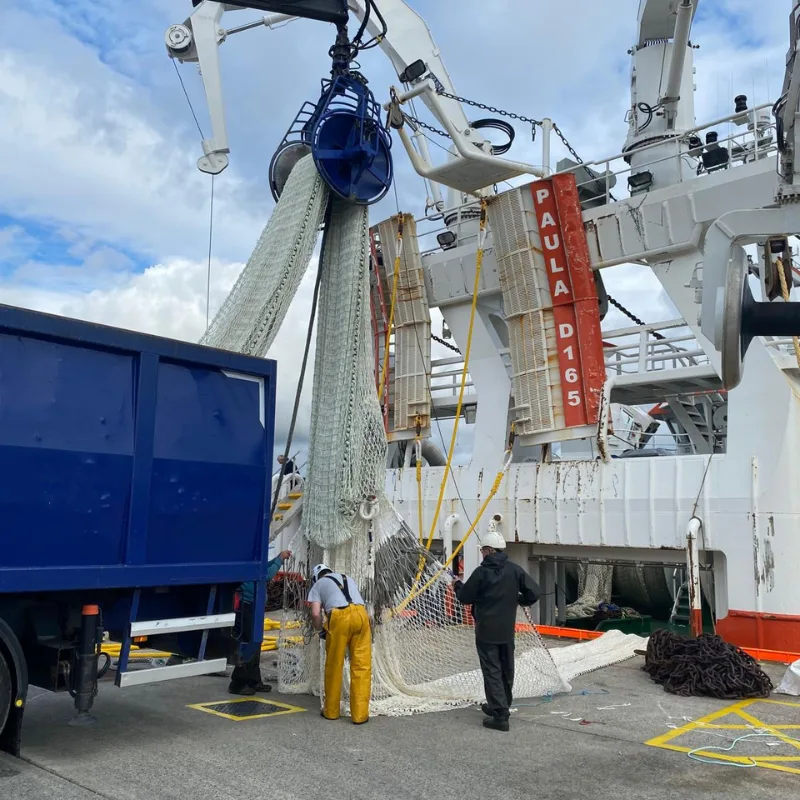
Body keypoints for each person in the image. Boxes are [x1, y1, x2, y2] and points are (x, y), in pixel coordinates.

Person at [454, 532, 539, 731]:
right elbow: (534, 592)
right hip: (507, 630)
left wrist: (458, 585)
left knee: (491, 669)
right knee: (507, 667)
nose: (482, 553)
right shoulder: (514, 570)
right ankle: (500, 704)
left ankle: (500, 715)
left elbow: (465, 597)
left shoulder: (481, 573)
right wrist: (519, 600)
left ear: (489, 550)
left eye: (483, 549)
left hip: (486, 631)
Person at [307, 564, 372, 724]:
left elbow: (315, 613)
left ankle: (331, 711)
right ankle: (360, 715)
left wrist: (319, 630)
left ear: (315, 577)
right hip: (361, 615)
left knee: (334, 664)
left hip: (339, 616)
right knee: (361, 665)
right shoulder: (347, 578)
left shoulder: (317, 585)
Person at [228, 549, 292, 696]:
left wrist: (277, 558)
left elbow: (262, 568)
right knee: (248, 642)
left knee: (256, 643)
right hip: (247, 607)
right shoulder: (242, 564)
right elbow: (265, 574)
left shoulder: (249, 561)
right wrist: (280, 560)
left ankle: (253, 680)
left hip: (254, 606)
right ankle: (237, 683)